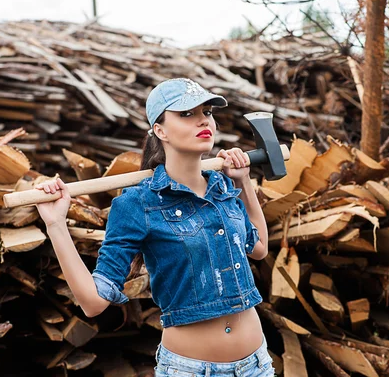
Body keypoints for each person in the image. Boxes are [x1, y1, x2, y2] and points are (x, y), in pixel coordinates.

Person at [35, 78, 275, 376]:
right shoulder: (138, 205)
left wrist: (242, 181)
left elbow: (259, 248)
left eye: (208, 112)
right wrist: (56, 223)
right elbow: (93, 303)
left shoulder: (223, 185)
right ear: (160, 130)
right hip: (190, 370)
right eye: (186, 114)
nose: (203, 120)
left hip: (256, 364)